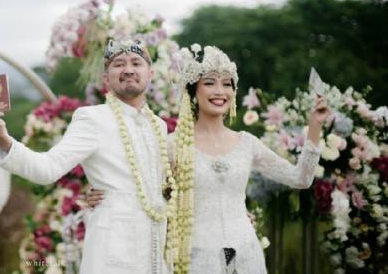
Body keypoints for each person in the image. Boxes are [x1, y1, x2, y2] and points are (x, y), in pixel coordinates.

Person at [86, 45, 330, 274]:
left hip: (246, 255)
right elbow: (142, 190)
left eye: (227, 84)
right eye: (210, 83)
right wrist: (99, 191)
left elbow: (301, 178)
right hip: (195, 258)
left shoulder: (247, 143)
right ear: (193, 92)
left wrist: (315, 127)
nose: (220, 91)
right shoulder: (173, 145)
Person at [0, 39, 175, 273]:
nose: (128, 70)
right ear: (106, 78)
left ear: (150, 74)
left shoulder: (158, 126)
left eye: (136, 63)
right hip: (113, 256)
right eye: (118, 64)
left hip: (155, 256)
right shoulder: (92, 118)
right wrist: (4, 140)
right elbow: (48, 168)